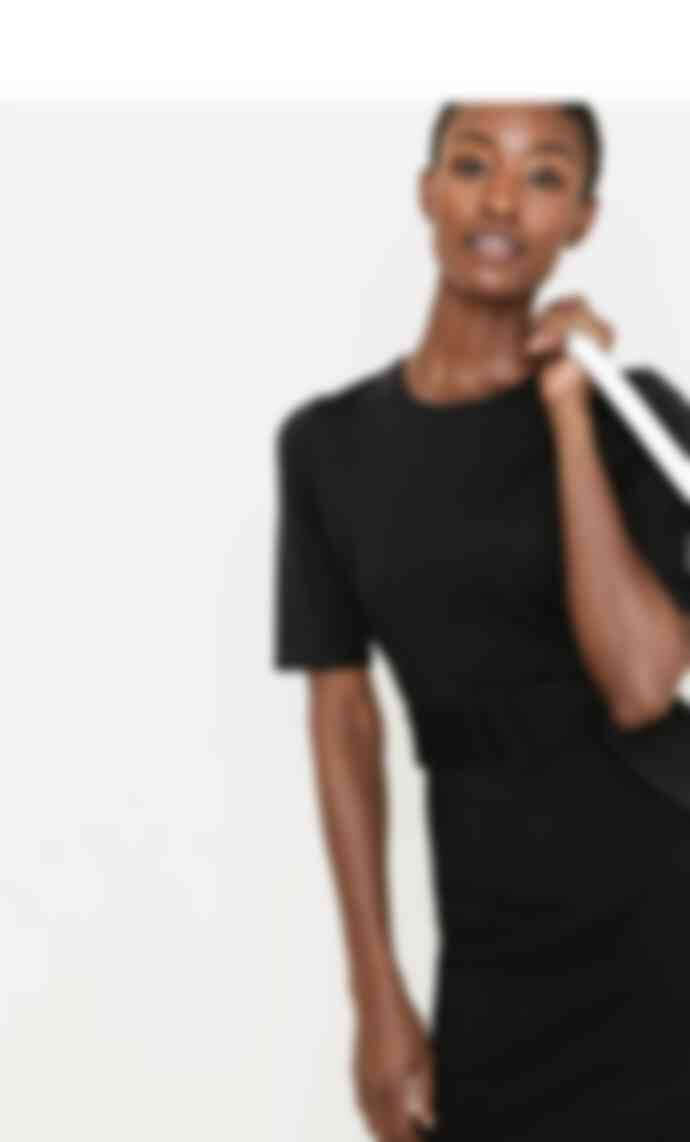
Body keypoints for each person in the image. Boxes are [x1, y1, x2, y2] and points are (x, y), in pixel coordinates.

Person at [271, 100, 690, 1140]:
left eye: (545, 176)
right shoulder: (331, 448)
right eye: (473, 165)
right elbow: (343, 716)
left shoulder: (633, 411)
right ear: (428, 191)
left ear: (581, 220)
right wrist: (376, 990)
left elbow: (643, 683)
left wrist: (570, 406)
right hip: (495, 934)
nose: (503, 201)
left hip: (667, 916)